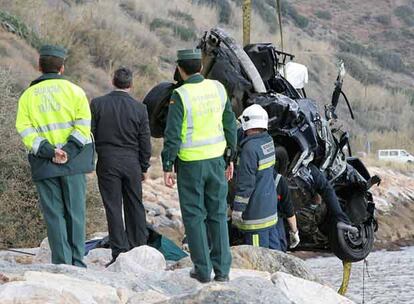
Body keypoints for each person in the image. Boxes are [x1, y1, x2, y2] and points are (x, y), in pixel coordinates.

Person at [161, 49, 237, 283]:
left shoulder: (180, 95)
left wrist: (167, 164)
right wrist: (231, 157)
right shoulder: (217, 89)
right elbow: (230, 124)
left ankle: (202, 270)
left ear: (181, 70)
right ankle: (223, 272)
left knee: (194, 216)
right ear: (201, 68)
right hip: (216, 162)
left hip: (191, 165)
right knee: (217, 214)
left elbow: (172, 134)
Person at [15, 45, 94, 267]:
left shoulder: (28, 96)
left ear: (39, 67)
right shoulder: (75, 91)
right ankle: (78, 262)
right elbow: (83, 125)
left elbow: (25, 129)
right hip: (74, 161)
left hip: (44, 163)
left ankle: (61, 263)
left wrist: (50, 152)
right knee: (76, 213)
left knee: (54, 215)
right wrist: (66, 151)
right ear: (61, 68)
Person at [91, 67, 151, 266]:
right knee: (135, 204)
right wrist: (143, 166)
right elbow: (145, 141)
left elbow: (91, 134)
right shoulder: (139, 108)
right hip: (131, 161)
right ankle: (139, 248)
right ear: (131, 85)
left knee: (113, 207)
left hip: (107, 160)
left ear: (112, 81)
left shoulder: (98, 104)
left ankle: (119, 252)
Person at [232, 104, 278, 248]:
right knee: (274, 258)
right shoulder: (268, 141)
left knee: (259, 262)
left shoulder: (249, 150)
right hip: (270, 211)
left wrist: (238, 209)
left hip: (255, 217)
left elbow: (246, 183)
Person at [269, 173, 300, 252]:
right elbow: (289, 211)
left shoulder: (247, 175)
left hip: (252, 219)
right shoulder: (279, 180)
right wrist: (294, 232)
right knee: (279, 249)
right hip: (270, 219)